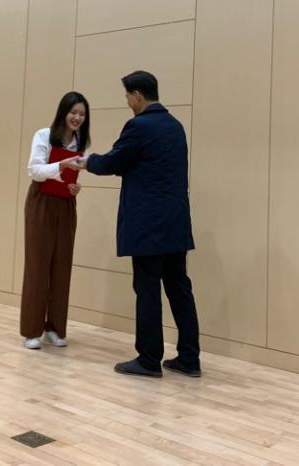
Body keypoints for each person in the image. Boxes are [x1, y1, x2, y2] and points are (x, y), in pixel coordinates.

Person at [78, 70, 200, 378]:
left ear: (137, 95)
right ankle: (189, 358)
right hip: (175, 223)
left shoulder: (139, 126)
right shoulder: (175, 126)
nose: (127, 103)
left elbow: (113, 162)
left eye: (127, 97)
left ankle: (148, 360)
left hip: (148, 226)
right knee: (179, 288)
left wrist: (87, 161)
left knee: (147, 289)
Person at [20, 92, 90, 350]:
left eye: (82, 114)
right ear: (63, 112)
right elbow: (34, 170)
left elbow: (73, 177)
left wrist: (75, 188)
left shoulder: (81, 142)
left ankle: (55, 329)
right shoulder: (44, 135)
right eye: (74, 112)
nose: (77, 118)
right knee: (38, 266)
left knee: (62, 266)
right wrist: (61, 166)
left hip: (66, 203)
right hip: (41, 201)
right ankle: (31, 331)